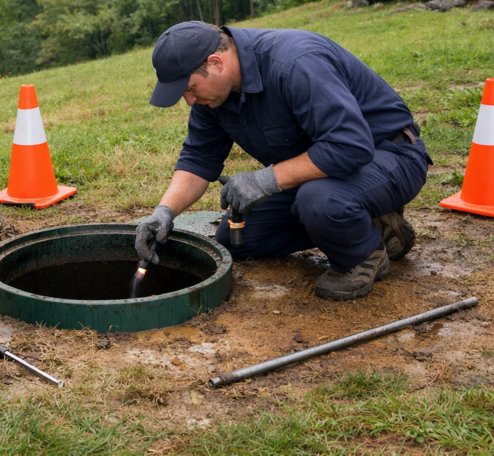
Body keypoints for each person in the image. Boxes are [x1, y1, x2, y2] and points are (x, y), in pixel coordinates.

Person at [135, 21, 431, 300]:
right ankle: (368, 222)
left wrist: (265, 180)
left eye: (189, 88)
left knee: (321, 202)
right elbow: (198, 158)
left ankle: (364, 253)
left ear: (216, 63)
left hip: (389, 155)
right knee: (236, 239)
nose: (189, 101)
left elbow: (350, 146)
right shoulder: (213, 95)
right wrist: (164, 212)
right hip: (320, 172)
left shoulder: (296, 63)